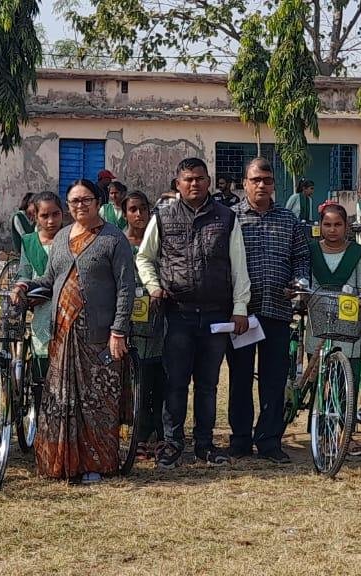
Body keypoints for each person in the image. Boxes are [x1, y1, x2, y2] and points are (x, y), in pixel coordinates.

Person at [13, 179, 135, 483]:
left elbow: (126, 287)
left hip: (98, 334)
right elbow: (49, 279)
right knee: (61, 400)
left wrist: (118, 331)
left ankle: (97, 465)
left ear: (98, 202)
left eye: (86, 199)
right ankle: (62, 464)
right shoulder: (62, 237)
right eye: (75, 201)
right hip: (62, 332)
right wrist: (25, 285)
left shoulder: (113, 239)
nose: (80, 205)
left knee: (96, 402)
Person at [135, 157, 251, 468]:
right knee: (175, 383)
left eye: (199, 178)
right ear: (178, 183)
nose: (194, 184)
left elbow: (238, 266)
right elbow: (144, 257)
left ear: (208, 181)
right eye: (188, 179)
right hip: (177, 313)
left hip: (216, 315)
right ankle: (173, 443)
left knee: (208, 385)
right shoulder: (163, 217)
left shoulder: (226, 218)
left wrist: (240, 308)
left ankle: (204, 444)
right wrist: (153, 286)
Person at [228, 157, 310, 463]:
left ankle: (269, 441)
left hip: (277, 309)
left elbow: (302, 258)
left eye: (267, 180)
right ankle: (239, 440)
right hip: (243, 314)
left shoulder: (289, 220)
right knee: (239, 378)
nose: (261, 185)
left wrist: (298, 282)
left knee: (274, 381)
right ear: (245, 184)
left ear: (274, 184)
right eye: (255, 180)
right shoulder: (231, 218)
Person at [308, 202, 361, 456]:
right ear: (320, 226)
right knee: (321, 382)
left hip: (347, 320)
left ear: (346, 227)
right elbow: (307, 283)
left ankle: (346, 435)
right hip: (319, 321)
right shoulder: (311, 251)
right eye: (327, 224)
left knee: (346, 382)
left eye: (338, 224)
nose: (332, 229)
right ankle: (322, 433)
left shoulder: (357, 253)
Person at [121, 191, 165, 458]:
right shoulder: (119, 243)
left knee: (157, 375)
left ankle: (157, 433)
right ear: (124, 213)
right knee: (135, 377)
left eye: (143, 209)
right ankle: (136, 433)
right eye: (133, 209)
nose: (139, 214)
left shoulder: (159, 240)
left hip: (157, 316)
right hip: (129, 318)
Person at [17, 192, 64, 382]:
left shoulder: (71, 239)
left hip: (66, 307)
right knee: (41, 367)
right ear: (35, 216)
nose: (51, 221)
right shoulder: (29, 242)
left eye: (55, 214)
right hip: (39, 309)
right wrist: (21, 288)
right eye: (44, 215)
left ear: (62, 213)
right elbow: (24, 272)